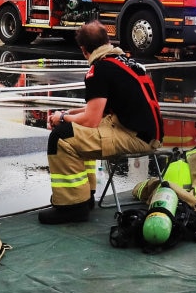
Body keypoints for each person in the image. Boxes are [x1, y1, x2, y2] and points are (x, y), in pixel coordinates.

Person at [40, 20, 163, 224]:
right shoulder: (124, 62)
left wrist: (61, 118)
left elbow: (91, 119)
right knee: (74, 128)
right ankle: (85, 196)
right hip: (146, 133)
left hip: (135, 137)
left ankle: (72, 207)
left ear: (83, 50)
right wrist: (69, 113)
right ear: (107, 41)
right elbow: (98, 109)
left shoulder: (99, 70)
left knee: (61, 137)